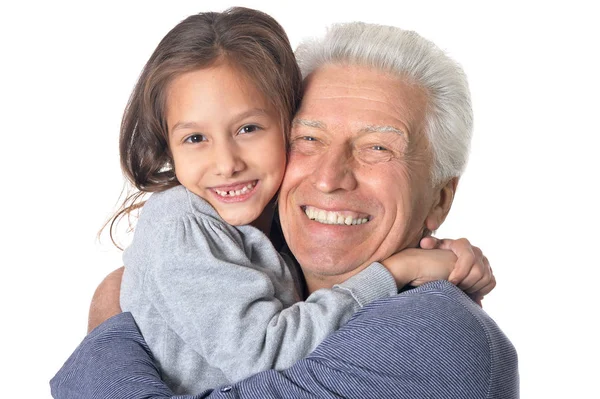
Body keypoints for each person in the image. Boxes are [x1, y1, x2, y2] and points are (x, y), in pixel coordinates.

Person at [51, 15, 518, 399]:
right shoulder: (249, 258)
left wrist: (110, 327)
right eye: (309, 139)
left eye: (377, 148)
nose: (329, 178)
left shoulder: (435, 334)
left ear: (440, 196)